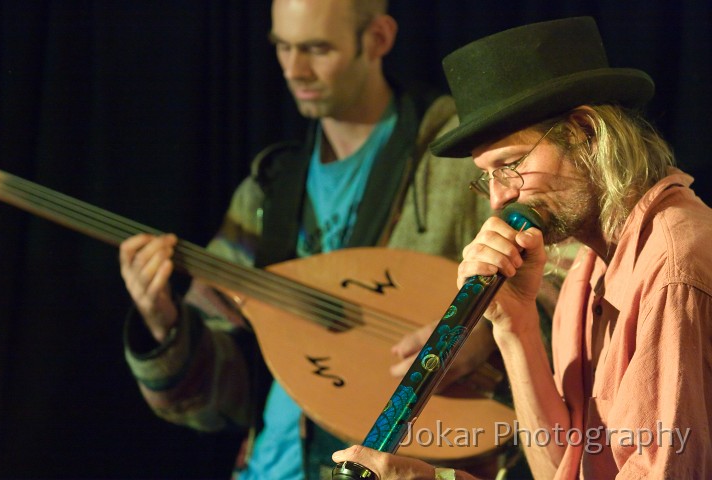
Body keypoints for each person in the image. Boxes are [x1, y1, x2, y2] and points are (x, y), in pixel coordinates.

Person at [118, 1, 532, 479]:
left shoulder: (458, 160)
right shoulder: (269, 190)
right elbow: (222, 398)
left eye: (317, 48)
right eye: (284, 48)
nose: (295, 70)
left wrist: (485, 337)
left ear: (377, 38)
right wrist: (164, 324)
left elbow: (564, 282)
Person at [333, 16, 712, 479]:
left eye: (510, 165)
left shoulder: (674, 263)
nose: (498, 198)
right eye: (487, 176)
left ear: (585, 133)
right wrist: (515, 327)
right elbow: (560, 469)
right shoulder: (587, 267)